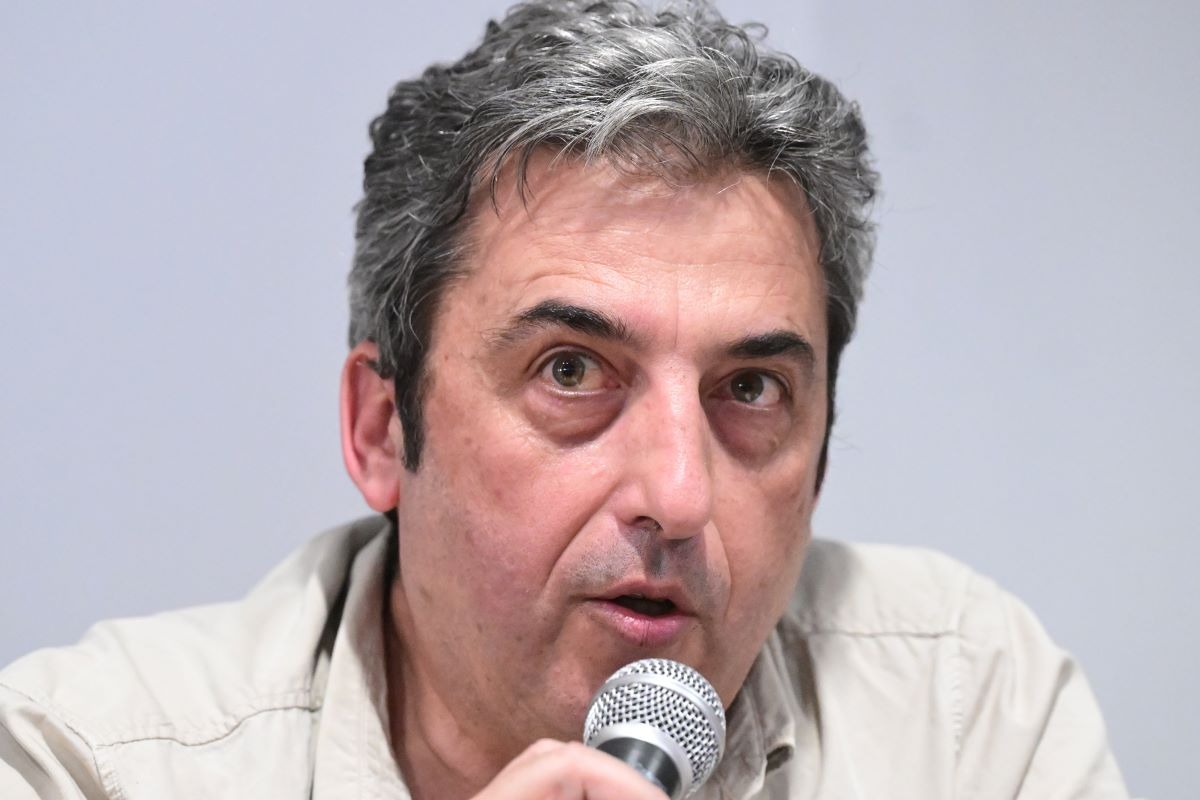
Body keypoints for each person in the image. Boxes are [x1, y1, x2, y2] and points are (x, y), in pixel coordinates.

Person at [0, 1, 1129, 797]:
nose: (678, 496)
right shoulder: (86, 760)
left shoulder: (967, 714)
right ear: (382, 428)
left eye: (750, 389)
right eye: (572, 372)